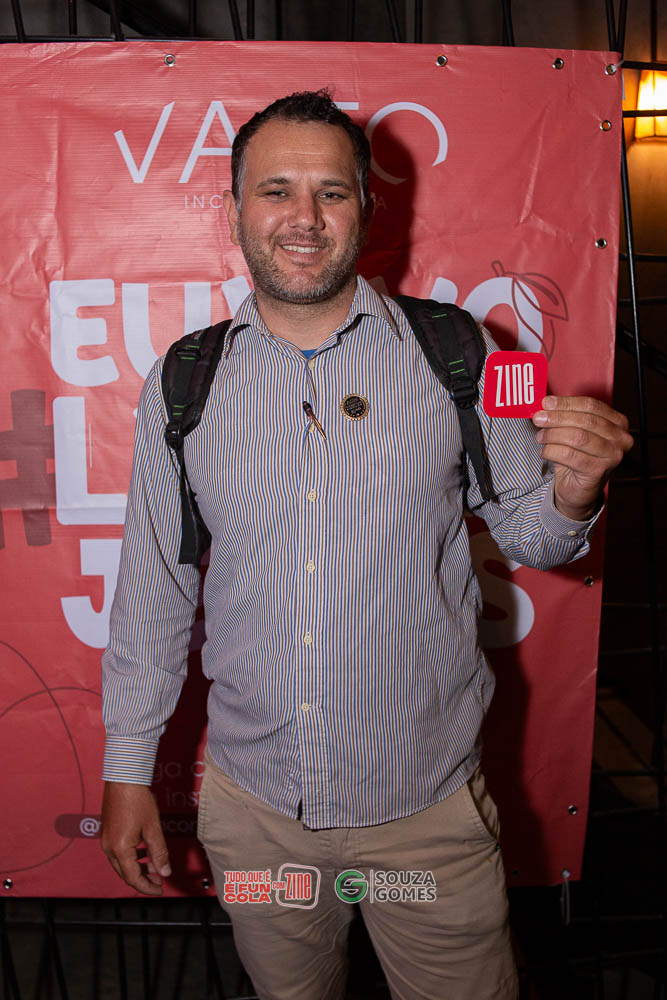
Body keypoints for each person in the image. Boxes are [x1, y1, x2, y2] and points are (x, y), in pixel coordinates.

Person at [101, 90, 633, 1000]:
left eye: (331, 192)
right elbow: (155, 588)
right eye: (276, 190)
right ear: (233, 210)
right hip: (256, 819)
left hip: (426, 821)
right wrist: (127, 771)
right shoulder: (184, 381)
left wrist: (575, 489)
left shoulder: (459, 351)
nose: (303, 218)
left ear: (368, 208)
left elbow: (532, 535)